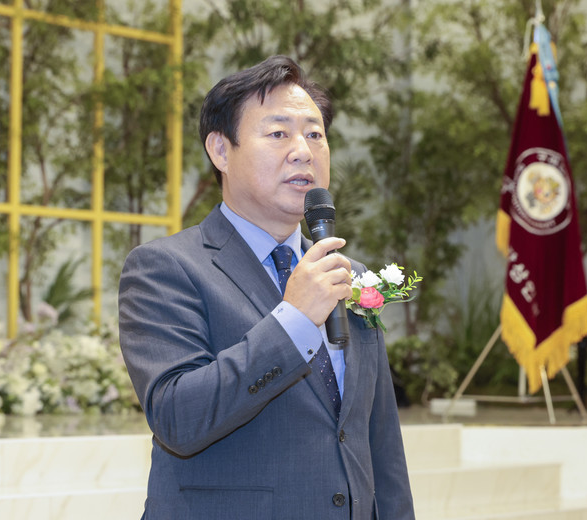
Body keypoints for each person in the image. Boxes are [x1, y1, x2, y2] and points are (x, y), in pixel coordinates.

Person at [118, 55, 415, 519]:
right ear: (220, 151)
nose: (303, 151)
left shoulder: (346, 274)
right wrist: (294, 319)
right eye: (278, 134)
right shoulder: (166, 268)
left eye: (315, 134)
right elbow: (178, 419)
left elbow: (380, 441)